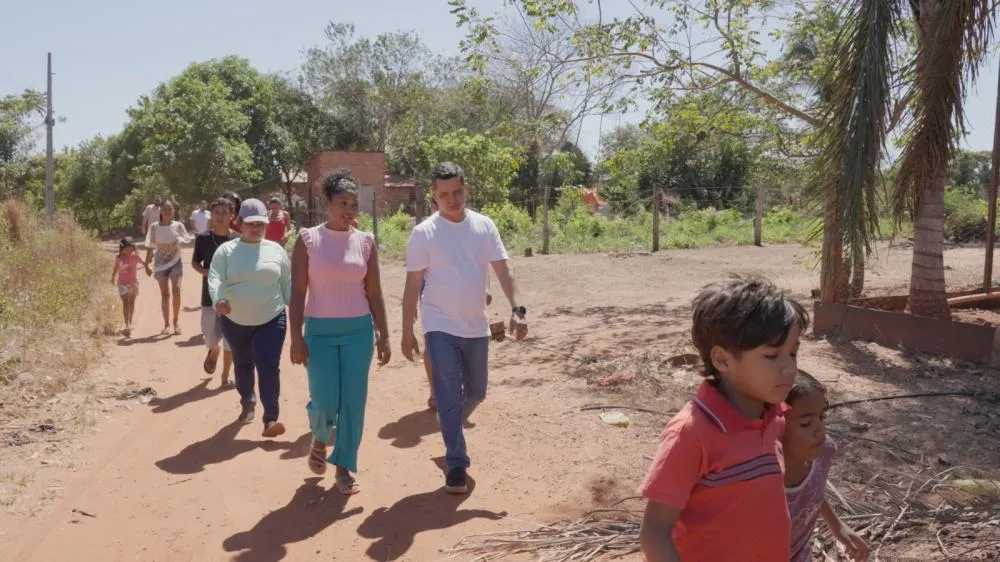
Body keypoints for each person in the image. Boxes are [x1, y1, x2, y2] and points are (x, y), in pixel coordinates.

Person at [638, 277, 808, 561]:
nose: (789, 368)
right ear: (723, 360)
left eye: (793, 352)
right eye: (771, 355)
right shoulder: (692, 434)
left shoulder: (775, 418)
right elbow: (654, 532)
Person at [401, 161, 528, 494]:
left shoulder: (484, 226)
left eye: (457, 192)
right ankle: (456, 462)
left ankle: (450, 417)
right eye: (444, 194)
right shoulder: (424, 233)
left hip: (475, 325)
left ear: (466, 189)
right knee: (447, 391)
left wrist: (518, 309)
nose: (452, 199)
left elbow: (504, 270)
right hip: (439, 323)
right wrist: (405, 330)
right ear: (434, 195)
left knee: (476, 392)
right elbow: (412, 285)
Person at [289, 171, 391, 494]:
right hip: (319, 332)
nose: (349, 209)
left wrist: (384, 334)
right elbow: (296, 293)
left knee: (353, 402)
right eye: (342, 202)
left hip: (358, 332)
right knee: (324, 399)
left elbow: (374, 293)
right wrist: (295, 337)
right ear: (326, 204)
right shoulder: (308, 240)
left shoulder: (365, 242)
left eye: (353, 204)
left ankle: (344, 465)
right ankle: (320, 437)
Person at [209, 198, 291, 437]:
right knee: (244, 363)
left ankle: (270, 419)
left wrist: (293, 307)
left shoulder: (275, 249)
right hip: (235, 320)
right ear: (240, 223)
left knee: (269, 366)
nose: (256, 229)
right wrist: (219, 300)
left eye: (261, 224)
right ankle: (248, 400)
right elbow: (214, 278)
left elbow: (286, 280)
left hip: (271, 317)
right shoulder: (226, 251)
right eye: (251, 224)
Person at [784, 370, 869, 562]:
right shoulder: (759, 480)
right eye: (806, 423)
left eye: (822, 417)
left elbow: (813, 490)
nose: (821, 430)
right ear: (773, 426)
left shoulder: (824, 453)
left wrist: (837, 525)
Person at [192, 198, 237, 387]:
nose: (220, 216)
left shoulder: (237, 240)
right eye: (216, 212)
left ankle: (225, 376)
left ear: (231, 216)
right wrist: (204, 272)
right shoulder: (203, 238)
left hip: (233, 297)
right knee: (210, 336)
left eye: (224, 213)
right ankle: (213, 351)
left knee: (230, 340)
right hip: (208, 296)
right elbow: (195, 262)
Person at [144, 200, 190, 336]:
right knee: (165, 294)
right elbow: (151, 245)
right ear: (160, 212)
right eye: (165, 209)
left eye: (170, 209)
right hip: (160, 263)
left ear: (173, 211)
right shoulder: (154, 227)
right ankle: (166, 325)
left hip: (176, 261)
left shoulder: (179, 226)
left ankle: (176, 322)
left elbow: (186, 239)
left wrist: (181, 241)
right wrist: (146, 264)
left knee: (176, 291)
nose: (167, 212)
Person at [110, 236, 151, 337]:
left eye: (130, 249)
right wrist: (112, 277)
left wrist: (148, 268)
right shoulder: (118, 257)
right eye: (126, 249)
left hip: (133, 283)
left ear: (133, 248)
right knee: (125, 303)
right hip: (122, 283)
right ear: (121, 248)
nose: (128, 251)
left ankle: (130, 322)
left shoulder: (135, 256)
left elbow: (144, 263)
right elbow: (116, 267)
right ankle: (127, 324)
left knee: (131, 303)